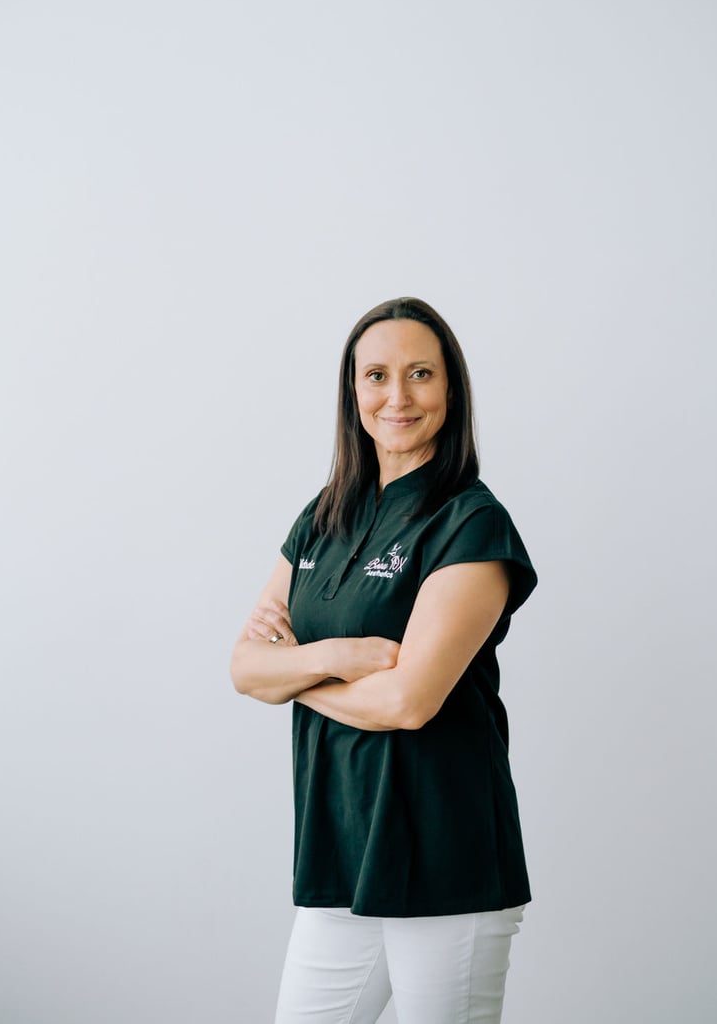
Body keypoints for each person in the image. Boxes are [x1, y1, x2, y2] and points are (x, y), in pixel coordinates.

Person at [230, 296, 538, 1024]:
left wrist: (295, 674)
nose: (397, 395)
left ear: (451, 388)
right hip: (340, 856)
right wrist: (341, 655)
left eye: (420, 373)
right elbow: (244, 667)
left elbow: (408, 701)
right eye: (376, 375)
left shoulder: (470, 521)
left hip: (444, 859)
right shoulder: (325, 514)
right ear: (353, 391)